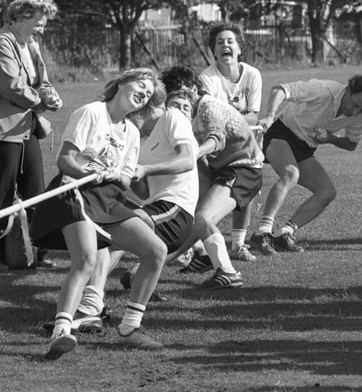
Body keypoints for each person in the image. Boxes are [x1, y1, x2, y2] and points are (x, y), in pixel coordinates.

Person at [30, 68, 168, 359]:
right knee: (87, 260)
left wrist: (115, 175)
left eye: (148, 93)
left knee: (156, 250)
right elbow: (65, 160)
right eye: (140, 86)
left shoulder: (131, 131)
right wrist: (88, 171)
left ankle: (130, 328)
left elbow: (128, 181)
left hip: (108, 198)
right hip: (75, 192)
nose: (143, 94)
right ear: (121, 84)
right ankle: (61, 331)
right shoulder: (91, 113)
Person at [64, 88, 200, 332]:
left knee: (112, 232)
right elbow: (138, 189)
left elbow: (188, 160)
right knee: (108, 233)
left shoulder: (173, 117)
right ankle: (93, 307)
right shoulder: (137, 136)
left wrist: (146, 169)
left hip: (175, 209)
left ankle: (95, 305)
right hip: (153, 205)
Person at [249, 75, 362, 255]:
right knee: (291, 174)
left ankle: (285, 234)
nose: (354, 112)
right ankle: (262, 233)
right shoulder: (323, 90)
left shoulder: (360, 116)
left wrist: (331, 138)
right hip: (281, 133)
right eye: (355, 104)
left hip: (305, 147)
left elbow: (351, 144)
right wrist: (269, 116)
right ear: (348, 90)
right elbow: (279, 89)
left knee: (327, 192)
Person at [171, 92, 264, 288]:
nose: (180, 110)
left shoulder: (207, 112)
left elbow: (217, 139)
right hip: (223, 169)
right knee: (197, 218)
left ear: (193, 106)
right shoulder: (178, 128)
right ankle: (205, 255)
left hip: (243, 167)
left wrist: (197, 152)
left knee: (203, 218)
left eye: (185, 106)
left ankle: (228, 272)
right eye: (174, 106)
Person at [0, 0, 61, 268]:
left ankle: (37, 252)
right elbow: (10, 85)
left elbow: (42, 81)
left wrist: (51, 96)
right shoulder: (3, 42)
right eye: (39, 21)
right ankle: (4, 254)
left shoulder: (32, 44)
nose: (43, 27)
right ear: (22, 16)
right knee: (3, 192)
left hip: (29, 128)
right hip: (5, 131)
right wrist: (40, 103)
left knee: (37, 191)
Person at [198, 23, 263, 263]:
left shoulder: (253, 74)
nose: (225, 45)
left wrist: (231, 118)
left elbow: (254, 115)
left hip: (247, 146)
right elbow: (211, 119)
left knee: (246, 195)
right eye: (219, 42)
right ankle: (196, 248)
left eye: (230, 41)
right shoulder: (207, 78)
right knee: (204, 195)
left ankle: (238, 244)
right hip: (215, 148)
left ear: (239, 48)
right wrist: (235, 118)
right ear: (213, 51)